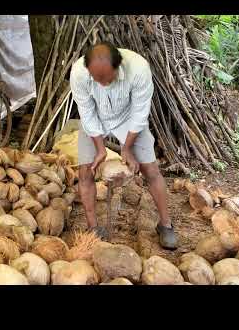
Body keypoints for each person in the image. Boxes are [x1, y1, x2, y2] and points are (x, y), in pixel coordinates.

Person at [69, 42, 178, 249]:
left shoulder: (138, 69)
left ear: (118, 67)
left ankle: (165, 225)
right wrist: (100, 149)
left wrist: (126, 149)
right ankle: (93, 227)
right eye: (96, 78)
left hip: (129, 118)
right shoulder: (79, 73)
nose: (100, 84)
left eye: (106, 78)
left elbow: (139, 115)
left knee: (151, 169)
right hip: (97, 119)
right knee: (85, 171)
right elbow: (87, 113)